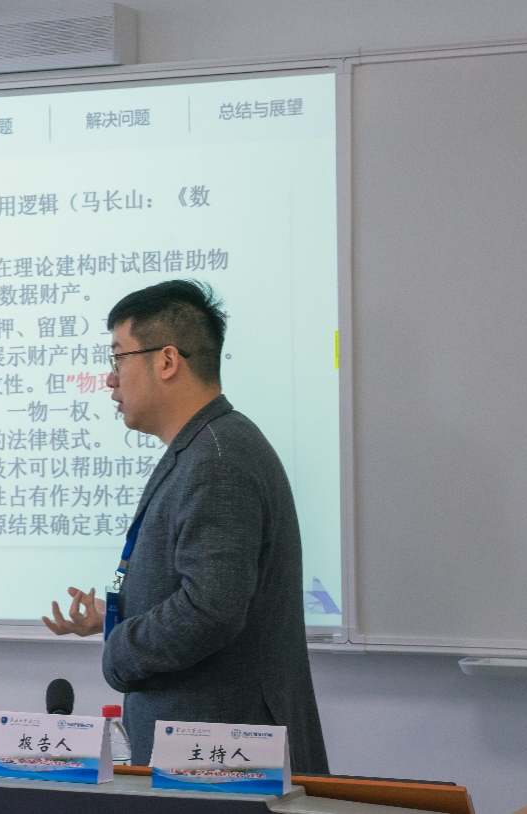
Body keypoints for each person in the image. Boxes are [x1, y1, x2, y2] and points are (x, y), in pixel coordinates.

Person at [42, 279, 328, 774]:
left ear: (167, 361)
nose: (109, 379)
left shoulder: (217, 457)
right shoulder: (209, 445)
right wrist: (117, 617)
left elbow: (211, 610)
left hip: (223, 760)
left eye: (118, 358)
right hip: (209, 755)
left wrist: (118, 649)